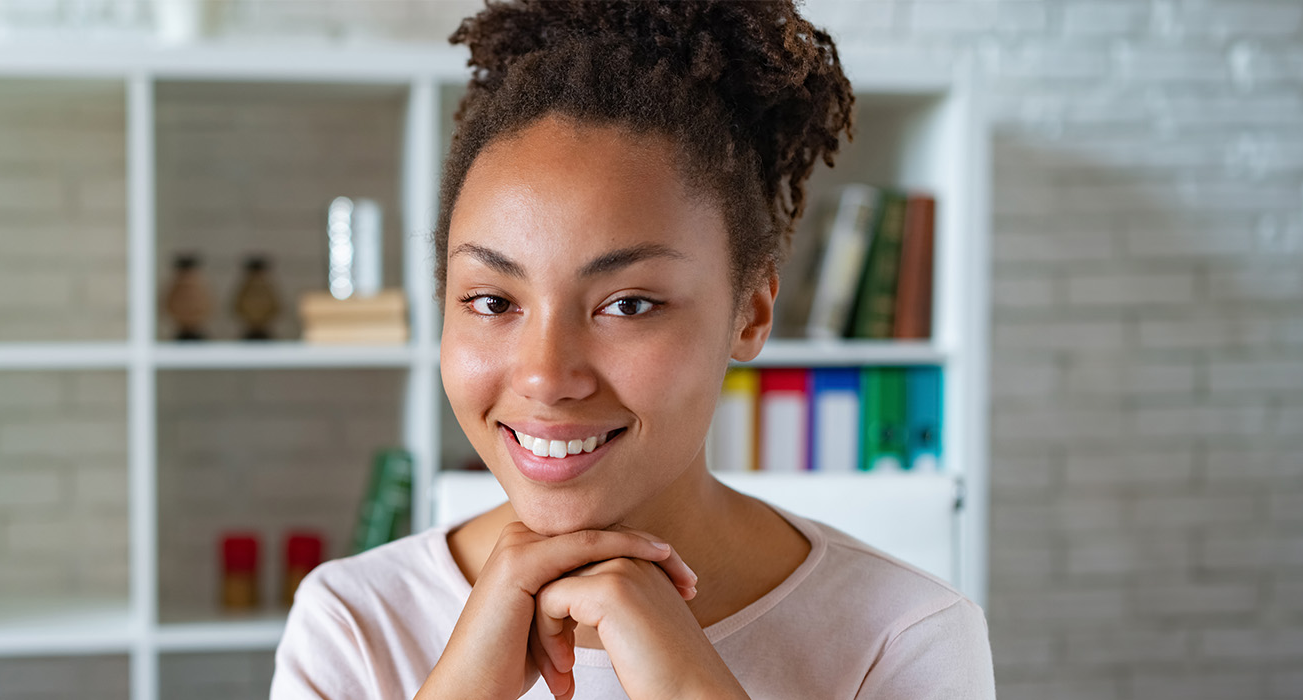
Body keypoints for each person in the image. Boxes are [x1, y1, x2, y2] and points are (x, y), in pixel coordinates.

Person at [272, 1, 995, 698]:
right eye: (493, 302)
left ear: (751, 312)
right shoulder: (354, 623)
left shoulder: (905, 638)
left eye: (628, 305)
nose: (545, 376)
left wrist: (692, 688)